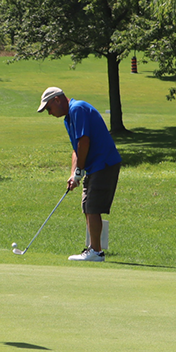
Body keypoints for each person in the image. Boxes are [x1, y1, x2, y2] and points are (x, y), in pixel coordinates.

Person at [37, 87, 122, 262]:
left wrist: (79, 170)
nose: (49, 113)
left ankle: (96, 252)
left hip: (104, 162)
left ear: (57, 100)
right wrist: (73, 174)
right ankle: (93, 249)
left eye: (49, 108)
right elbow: (76, 149)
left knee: (92, 206)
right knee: (87, 205)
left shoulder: (78, 109)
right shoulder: (69, 118)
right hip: (94, 165)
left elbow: (84, 141)